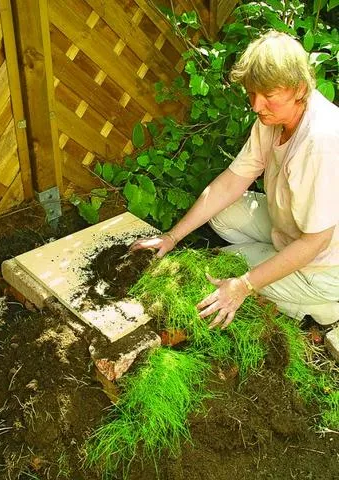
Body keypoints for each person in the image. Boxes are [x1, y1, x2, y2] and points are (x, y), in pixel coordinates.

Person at [131, 31, 339, 330]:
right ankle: (276, 264)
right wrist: (171, 236)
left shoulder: (320, 141)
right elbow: (232, 181)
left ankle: (322, 307)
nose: (256, 106)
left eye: (268, 96)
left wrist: (243, 285)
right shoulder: (273, 120)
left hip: (325, 261)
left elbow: (316, 241)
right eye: (252, 94)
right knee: (221, 213)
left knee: (220, 268)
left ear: (300, 89)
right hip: (292, 225)